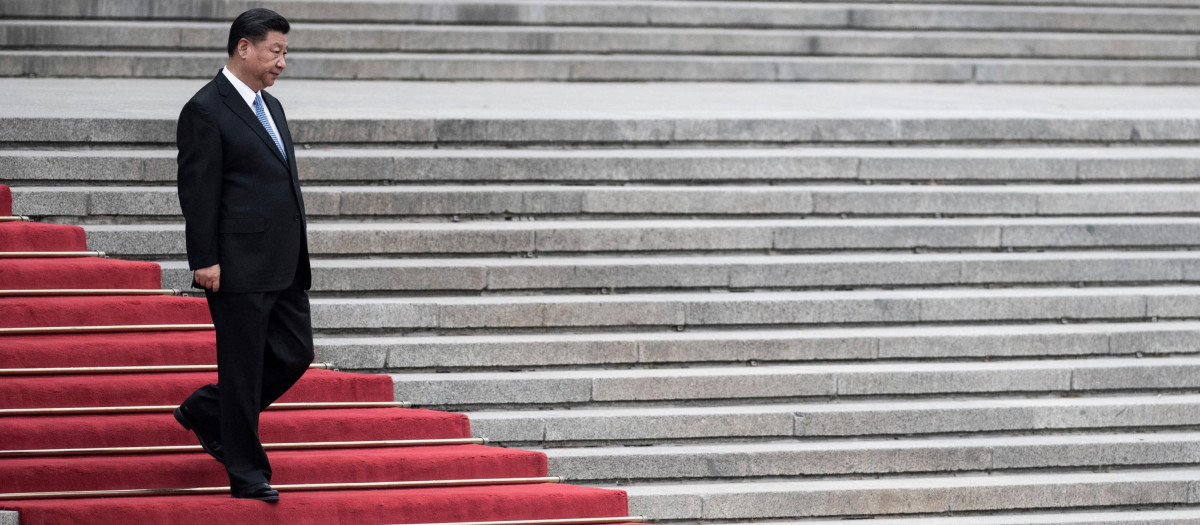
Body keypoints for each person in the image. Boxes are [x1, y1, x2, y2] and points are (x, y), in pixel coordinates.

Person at [173, 7, 312, 503]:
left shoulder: (269, 106)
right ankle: (247, 473)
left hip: (283, 261)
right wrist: (203, 258)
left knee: (296, 353)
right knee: (242, 368)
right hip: (235, 264)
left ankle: (209, 411)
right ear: (243, 47)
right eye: (276, 51)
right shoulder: (205, 109)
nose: (281, 62)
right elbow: (198, 190)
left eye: (285, 53)